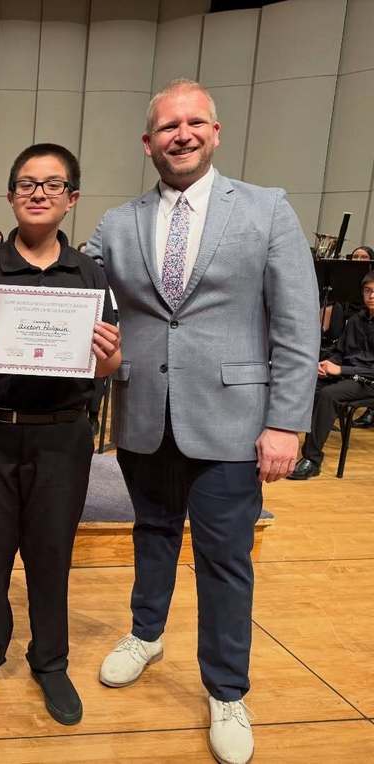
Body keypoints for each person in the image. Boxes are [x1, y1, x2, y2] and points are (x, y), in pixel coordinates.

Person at [86, 79, 319, 764]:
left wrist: (286, 422)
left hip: (234, 420)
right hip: (143, 416)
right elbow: (72, 290)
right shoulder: (118, 220)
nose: (180, 135)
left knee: (225, 560)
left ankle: (225, 689)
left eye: (193, 123)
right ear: (147, 142)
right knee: (152, 534)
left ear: (214, 133)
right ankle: (146, 633)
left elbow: (298, 323)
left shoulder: (267, 209)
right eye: (167, 127)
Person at [0, 144, 121, 724]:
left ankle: (50, 662)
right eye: (27, 183)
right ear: (11, 194)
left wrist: (108, 358)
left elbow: (107, 366)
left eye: (52, 184)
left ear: (72, 199)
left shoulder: (91, 274)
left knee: (50, 555)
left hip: (63, 438)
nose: (38, 193)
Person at [288, 271, 374, 478]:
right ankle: (286, 447)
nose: (371, 296)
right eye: (367, 291)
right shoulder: (355, 320)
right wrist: (328, 364)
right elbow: (340, 352)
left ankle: (312, 459)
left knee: (329, 395)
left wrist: (342, 370)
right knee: (309, 384)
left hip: (368, 380)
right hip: (349, 376)